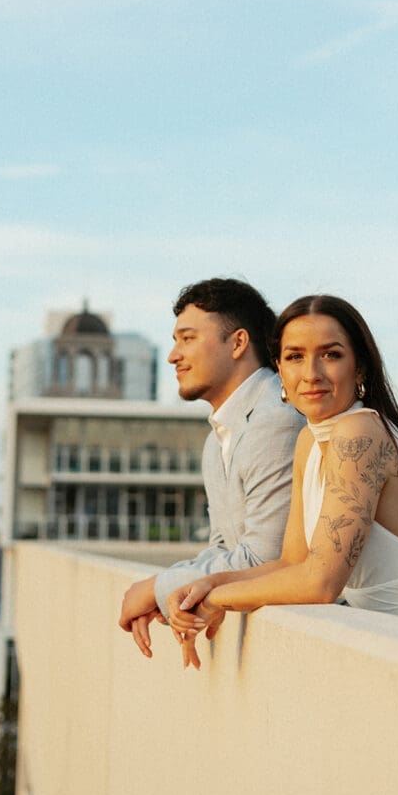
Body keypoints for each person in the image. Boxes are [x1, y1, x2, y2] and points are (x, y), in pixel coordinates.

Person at [168, 295, 398, 669]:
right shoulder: (309, 440)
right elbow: (292, 561)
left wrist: (218, 599)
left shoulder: (358, 432)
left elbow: (320, 584)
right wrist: (210, 584)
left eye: (331, 355)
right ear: (279, 369)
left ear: (359, 369)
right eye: (295, 357)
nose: (311, 373)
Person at [118, 278, 304, 656]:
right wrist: (175, 595)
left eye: (187, 338)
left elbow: (266, 560)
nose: (173, 355)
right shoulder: (217, 439)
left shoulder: (275, 421)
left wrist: (156, 588)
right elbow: (222, 547)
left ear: (237, 343)